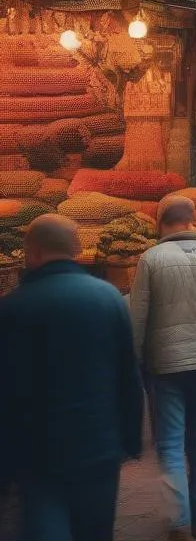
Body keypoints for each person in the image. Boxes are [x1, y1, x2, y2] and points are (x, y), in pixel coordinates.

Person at [0, 215, 143, 541]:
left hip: (36, 450)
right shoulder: (107, 298)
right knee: (94, 529)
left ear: (31, 253)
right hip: (98, 442)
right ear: (77, 250)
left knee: (44, 524)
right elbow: (128, 376)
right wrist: (131, 438)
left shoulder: (12, 309)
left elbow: (4, 392)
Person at [130, 196, 196, 541]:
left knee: (171, 443)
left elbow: (138, 318)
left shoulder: (151, 259)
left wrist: (136, 360)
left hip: (166, 363)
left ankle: (178, 523)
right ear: (191, 222)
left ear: (161, 224)